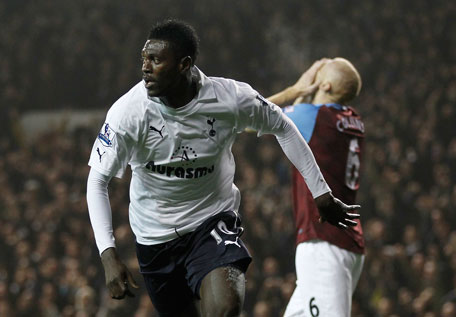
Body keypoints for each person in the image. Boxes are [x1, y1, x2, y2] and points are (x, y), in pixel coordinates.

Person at [86, 20, 360, 317]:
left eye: (155, 60)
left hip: (211, 222)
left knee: (225, 308)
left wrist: (320, 192)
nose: (145, 68)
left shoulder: (229, 98)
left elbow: (282, 125)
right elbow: (97, 181)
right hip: (155, 238)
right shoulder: (128, 112)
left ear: (184, 64)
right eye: (144, 58)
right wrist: (108, 253)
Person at [268, 58, 365, 317]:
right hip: (343, 241)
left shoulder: (314, 117)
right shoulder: (352, 120)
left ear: (326, 84)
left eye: (319, 70)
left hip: (324, 244)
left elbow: (250, 116)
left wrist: (297, 88)